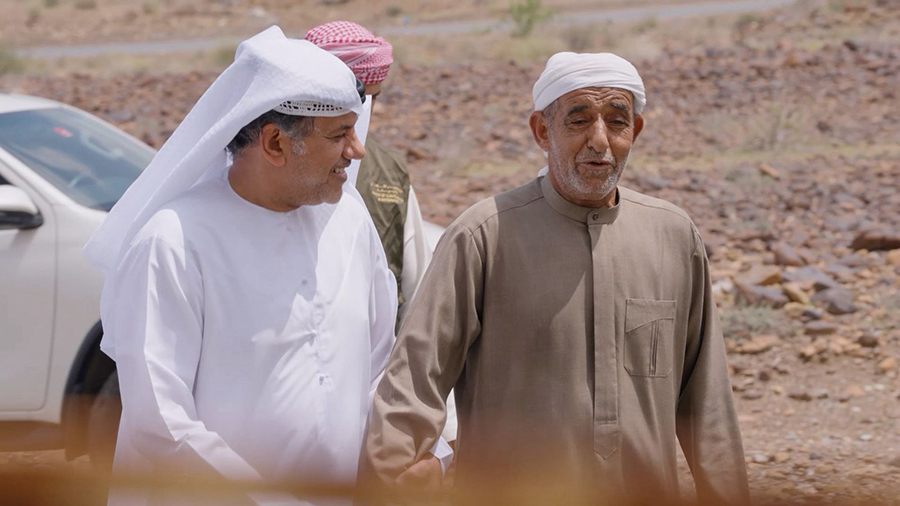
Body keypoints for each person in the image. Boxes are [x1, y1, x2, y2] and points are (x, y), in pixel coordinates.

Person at [363, 52, 751, 504]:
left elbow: (709, 406)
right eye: (579, 120)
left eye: (617, 121)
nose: (599, 141)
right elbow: (413, 384)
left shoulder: (672, 236)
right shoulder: (483, 236)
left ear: (636, 132)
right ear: (542, 131)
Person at [84, 27, 396, 505]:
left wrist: (419, 451)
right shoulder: (174, 242)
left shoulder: (350, 220)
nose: (357, 151)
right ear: (274, 143)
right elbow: (161, 422)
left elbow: (380, 365)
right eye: (339, 135)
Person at [305, 21, 457, 451]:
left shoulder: (386, 171)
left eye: (371, 99)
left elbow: (418, 298)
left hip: (372, 404)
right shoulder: (273, 178)